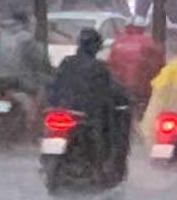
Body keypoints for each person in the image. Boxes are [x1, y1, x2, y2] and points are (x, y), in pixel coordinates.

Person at [48, 27, 132, 178]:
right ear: (95, 47)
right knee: (107, 130)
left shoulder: (66, 62)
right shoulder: (99, 67)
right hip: (87, 116)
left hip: (63, 111)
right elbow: (112, 90)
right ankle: (100, 169)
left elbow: (53, 85)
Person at [106, 21, 166, 118]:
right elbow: (158, 64)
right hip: (141, 87)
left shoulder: (118, 41)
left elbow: (110, 63)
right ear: (142, 28)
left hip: (119, 87)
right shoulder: (148, 42)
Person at [0, 12, 53, 98]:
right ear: (27, 23)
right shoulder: (27, 37)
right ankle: (33, 111)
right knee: (44, 87)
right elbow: (38, 60)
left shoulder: (3, 36)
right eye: (32, 23)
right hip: (17, 81)